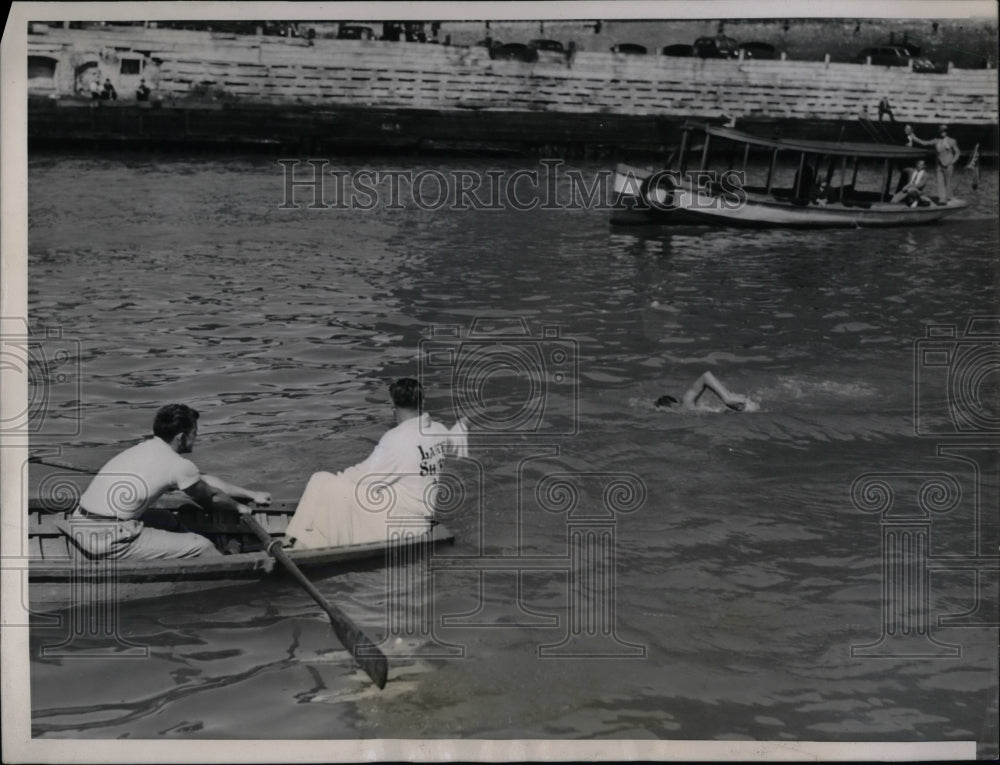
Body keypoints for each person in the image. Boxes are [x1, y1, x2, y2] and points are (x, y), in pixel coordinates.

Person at [67, 404, 271, 559]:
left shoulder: (145, 449)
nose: (195, 439)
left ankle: (180, 550)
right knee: (202, 545)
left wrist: (251, 494)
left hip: (79, 522)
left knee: (166, 518)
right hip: (106, 537)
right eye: (194, 434)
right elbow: (213, 497)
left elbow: (205, 480)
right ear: (182, 437)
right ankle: (219, 564)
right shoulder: (178, 466)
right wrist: (239, 508)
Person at [285, 379, 468, 549]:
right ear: (422, 401)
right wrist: (461, 426)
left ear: (392, 404)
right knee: (329, 488)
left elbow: (363, 478)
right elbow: (451, 440)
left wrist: (333, 482)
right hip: (420, 520)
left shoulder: (396, 439)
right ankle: (305, 541)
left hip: (399, 526)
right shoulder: (438, 430)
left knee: (321, 480)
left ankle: (298, 545)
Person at [905, 124, 960, 204]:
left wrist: (953, 162)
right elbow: (924, 143)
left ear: (947, 132)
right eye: (941, 131)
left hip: (949, 165)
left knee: (948, 182)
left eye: (944, 131)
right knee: (940, 182)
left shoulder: (952, 141)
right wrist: (914, 137)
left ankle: (947, 198)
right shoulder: (936, 140)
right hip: (939, 165)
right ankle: (942, 198)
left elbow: (957, 153)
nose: (943, 133)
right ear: (939, 132)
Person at [655, 372, 757, 412]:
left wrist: (727, 399)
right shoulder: (685, 408)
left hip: (743, 408)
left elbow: (706, 376)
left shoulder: (684, 405)